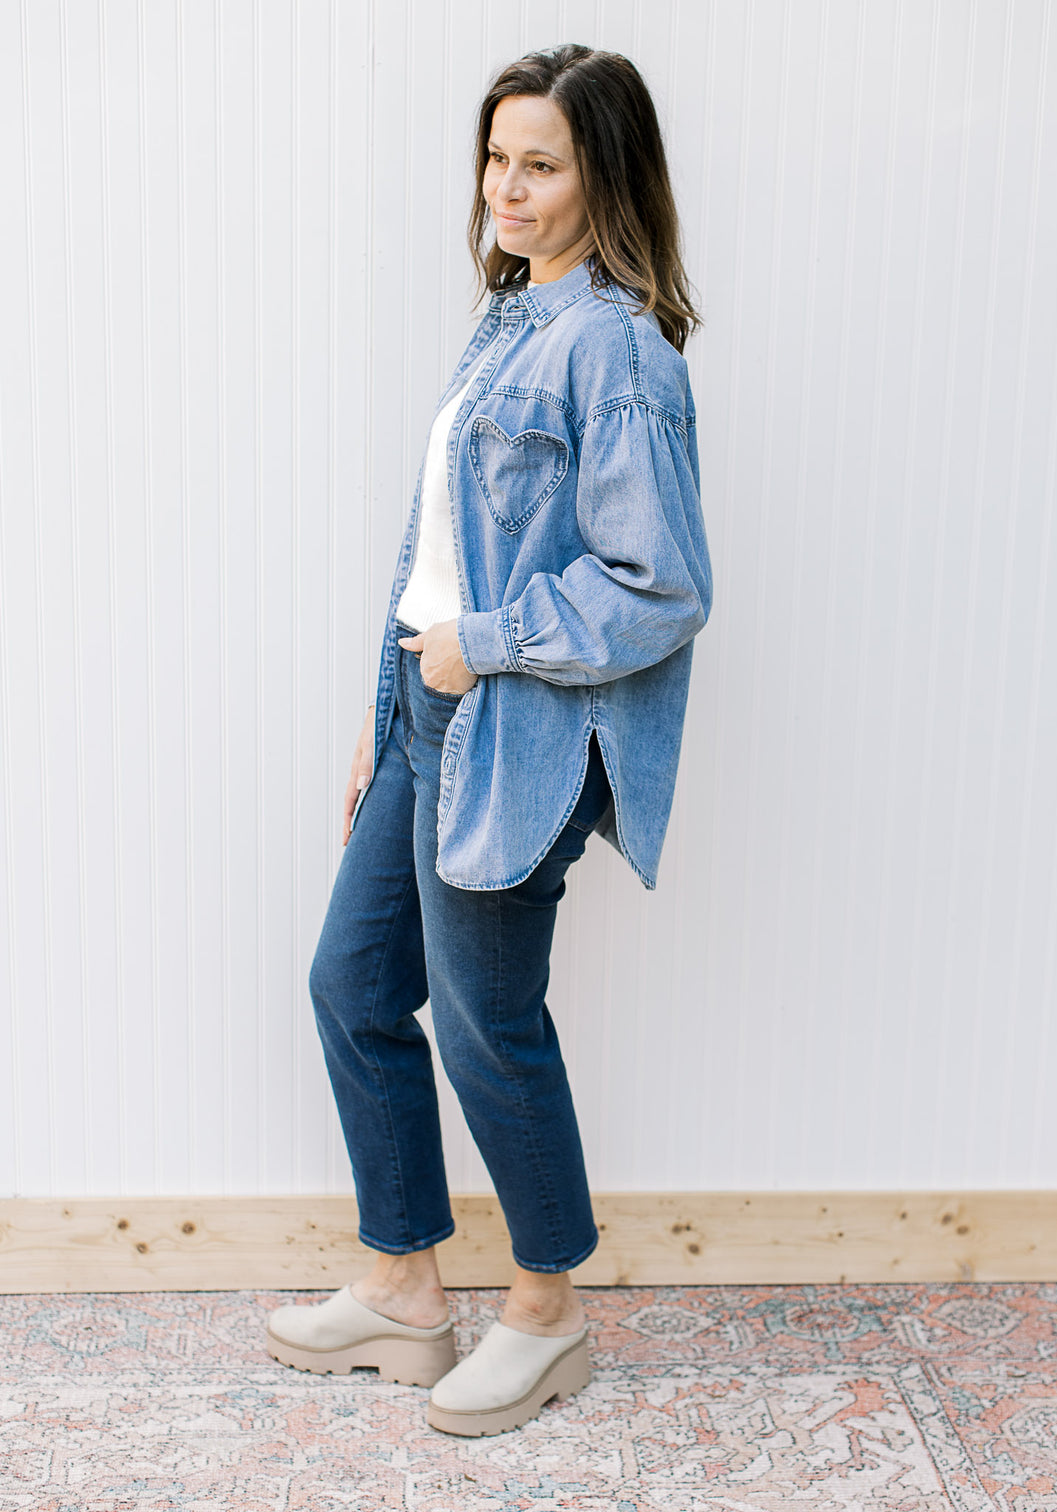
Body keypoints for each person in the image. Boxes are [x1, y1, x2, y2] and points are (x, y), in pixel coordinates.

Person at [266, 42, 712, 1436]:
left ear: (603, 177)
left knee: (486, 1029)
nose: (504, 189)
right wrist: (381, 702)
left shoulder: (619, 350)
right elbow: (443, 543)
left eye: (540, 165)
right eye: (496, 157)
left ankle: (546, 1311)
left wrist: (482, 648)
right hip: (424, 707)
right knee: (353, 986)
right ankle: (404, 1286)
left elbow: (664, 587)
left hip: (506, 725)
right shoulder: (510, 318)